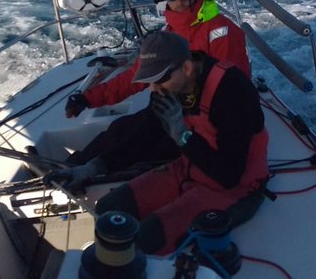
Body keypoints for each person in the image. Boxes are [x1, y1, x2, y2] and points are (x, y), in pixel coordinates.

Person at [56, 0, 250, 186]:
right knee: (120, 128)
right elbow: (135, 76)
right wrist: (88, 98)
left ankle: (102, 174)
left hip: (203, 118)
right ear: (166, 1)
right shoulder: (169, 34)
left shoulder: (222, 31)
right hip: (170, 107)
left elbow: (233, 90)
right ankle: (72, 166)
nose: (180, 1)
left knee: (152, 145)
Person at [92, 31, 269, 255]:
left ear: (186, 68)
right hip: (187, 171)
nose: (154, 89)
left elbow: (229, 176)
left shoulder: (232, 90)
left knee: (145, 240)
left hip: (234, 189)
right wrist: (94, 166)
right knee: (107, 209)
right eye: (150, 80)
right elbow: (143, 138)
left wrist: (183, 136)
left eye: (160, 79)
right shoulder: (168, 88)